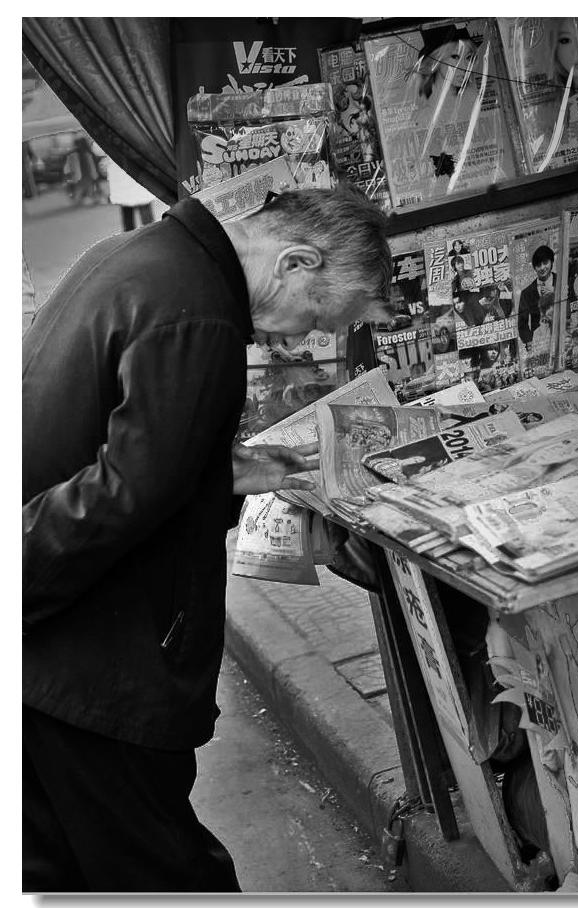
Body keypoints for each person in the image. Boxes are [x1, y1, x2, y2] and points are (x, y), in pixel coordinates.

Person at [22, 185, 393, 893]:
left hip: (47, 651)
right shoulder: (199, 314)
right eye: (320, 315)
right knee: (161, 871)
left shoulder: (136, 254)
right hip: (88, 659)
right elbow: (122, 497)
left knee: (56, 869)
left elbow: (130, 461)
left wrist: (221, 472)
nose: (302, 339)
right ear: (295, 262)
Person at [517, 245, 557, 350]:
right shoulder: (527, 293)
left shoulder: (562, 281)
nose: (542, 268)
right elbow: (522, 322)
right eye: (538, 265)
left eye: (545, 262)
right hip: (540, 340)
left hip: (562, 334)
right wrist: (529, 341)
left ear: (551, 261)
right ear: (534, 267)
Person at [106, 158, 156, 231]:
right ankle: (151, 234)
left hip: (124, 178)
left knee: (130, 218)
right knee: (146, 221)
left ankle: (147, 233)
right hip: (135, 177)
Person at [63, 134, 100, 204]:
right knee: (81, 194)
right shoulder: (74, 155)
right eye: (78, 144)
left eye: (80, 143)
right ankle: (86, 199)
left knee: (87, 193)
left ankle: (90, 198)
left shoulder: (87, 154)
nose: (79, 145)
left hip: (86, 178)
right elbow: (68, 168)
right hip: (82, 179)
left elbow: (93, 166)